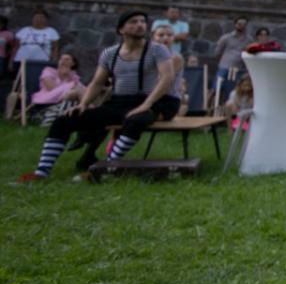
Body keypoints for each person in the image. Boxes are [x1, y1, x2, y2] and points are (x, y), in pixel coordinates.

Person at [18, 11, 179, 182]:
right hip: (117, 102)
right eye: (133, 21)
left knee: (137, 120)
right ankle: (41, 172)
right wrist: (84, 104)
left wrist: (147, 104)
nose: (140, 25)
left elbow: (167, 77)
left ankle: (105, 168)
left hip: (145, 101)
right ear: (121, 29)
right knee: (64, 120)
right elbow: (97, 82)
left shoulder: (157, 50)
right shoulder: (110, 53)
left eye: (142, 21)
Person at [211, 17, 249, 108]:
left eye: (244, 24)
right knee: (215, 88)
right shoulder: (226, 38)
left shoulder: (248, 39)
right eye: (240, 24)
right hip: (224, 67)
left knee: (232, 91)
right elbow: (217, 52)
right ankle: (208, 108)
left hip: (238, 69)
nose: (242, 26)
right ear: (235, 24)